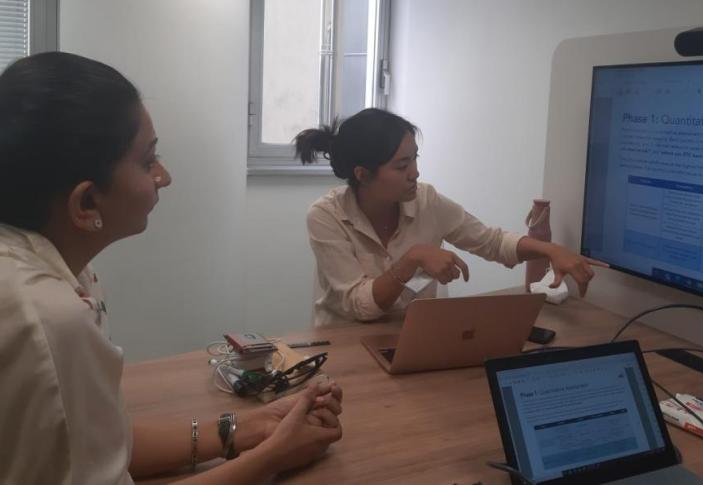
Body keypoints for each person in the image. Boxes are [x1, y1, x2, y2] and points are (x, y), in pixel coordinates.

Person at [0, 52, 342, 484]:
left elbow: (102, 443)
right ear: (86, 203)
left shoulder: (62, 272)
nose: (164, 176)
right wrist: (271, 458)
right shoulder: (44, 317)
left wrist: (244, 429)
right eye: (147, 162)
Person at [295, 108, 607, 326]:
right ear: (363, 175)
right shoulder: (326, 217)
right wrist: (412, 259)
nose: (415, 173)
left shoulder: (426, 201)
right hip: (345, 349)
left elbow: (491, 242)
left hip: (414, 341)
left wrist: (552, 251)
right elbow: (359, 305)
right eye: (401, 166)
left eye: (414, 159)